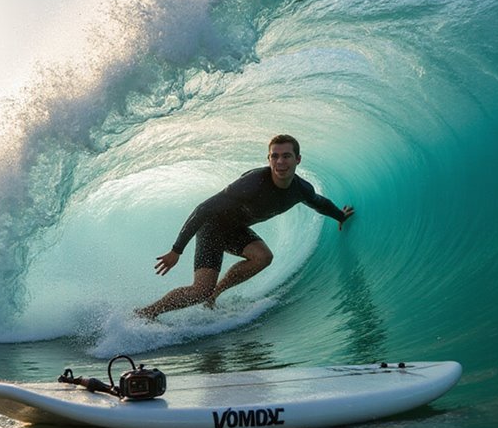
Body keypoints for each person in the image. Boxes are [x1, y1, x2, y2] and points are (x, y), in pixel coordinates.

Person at [135, 134, 354, 319]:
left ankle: (214, 296)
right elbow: (203, 209)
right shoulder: (252, 183)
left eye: (286, 156)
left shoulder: (301, 189)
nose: (280, 162)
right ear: (268, 159)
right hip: (213, 226)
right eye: (274, 156)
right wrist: (177, 250)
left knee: (263, 257)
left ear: (298, 159)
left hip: (235, 229)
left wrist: (339, 217)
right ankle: (147, 313)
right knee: (200, 290)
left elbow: (319, 203)